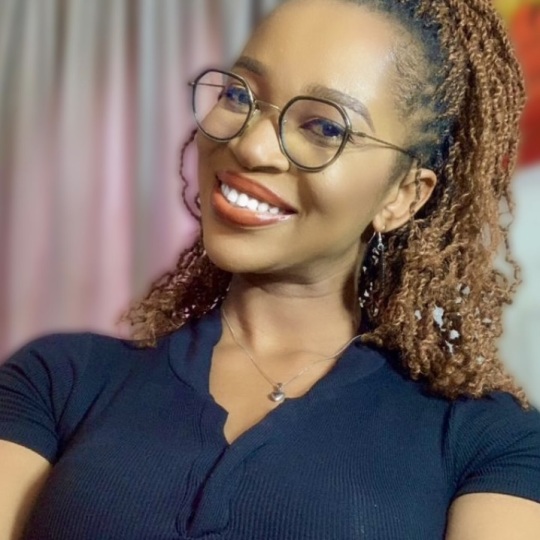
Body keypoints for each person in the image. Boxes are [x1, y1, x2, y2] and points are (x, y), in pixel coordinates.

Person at [1, 0, 540, 538]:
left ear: (403, 195)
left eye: (324, 127)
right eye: (240, 95)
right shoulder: (59, 381)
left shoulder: (487, 441)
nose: (251, 144)